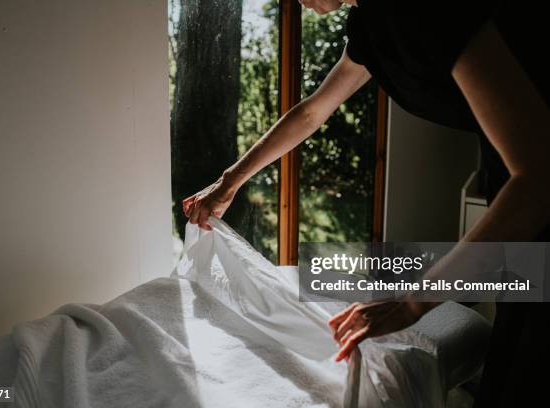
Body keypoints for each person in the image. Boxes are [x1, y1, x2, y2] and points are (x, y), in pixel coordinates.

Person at [182, 1, 550, 405]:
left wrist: (411, 304)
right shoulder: (373, 26)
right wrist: (229, 181)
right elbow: (312, 111)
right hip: (512, 172)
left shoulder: (420, 10)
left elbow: (537, 181)